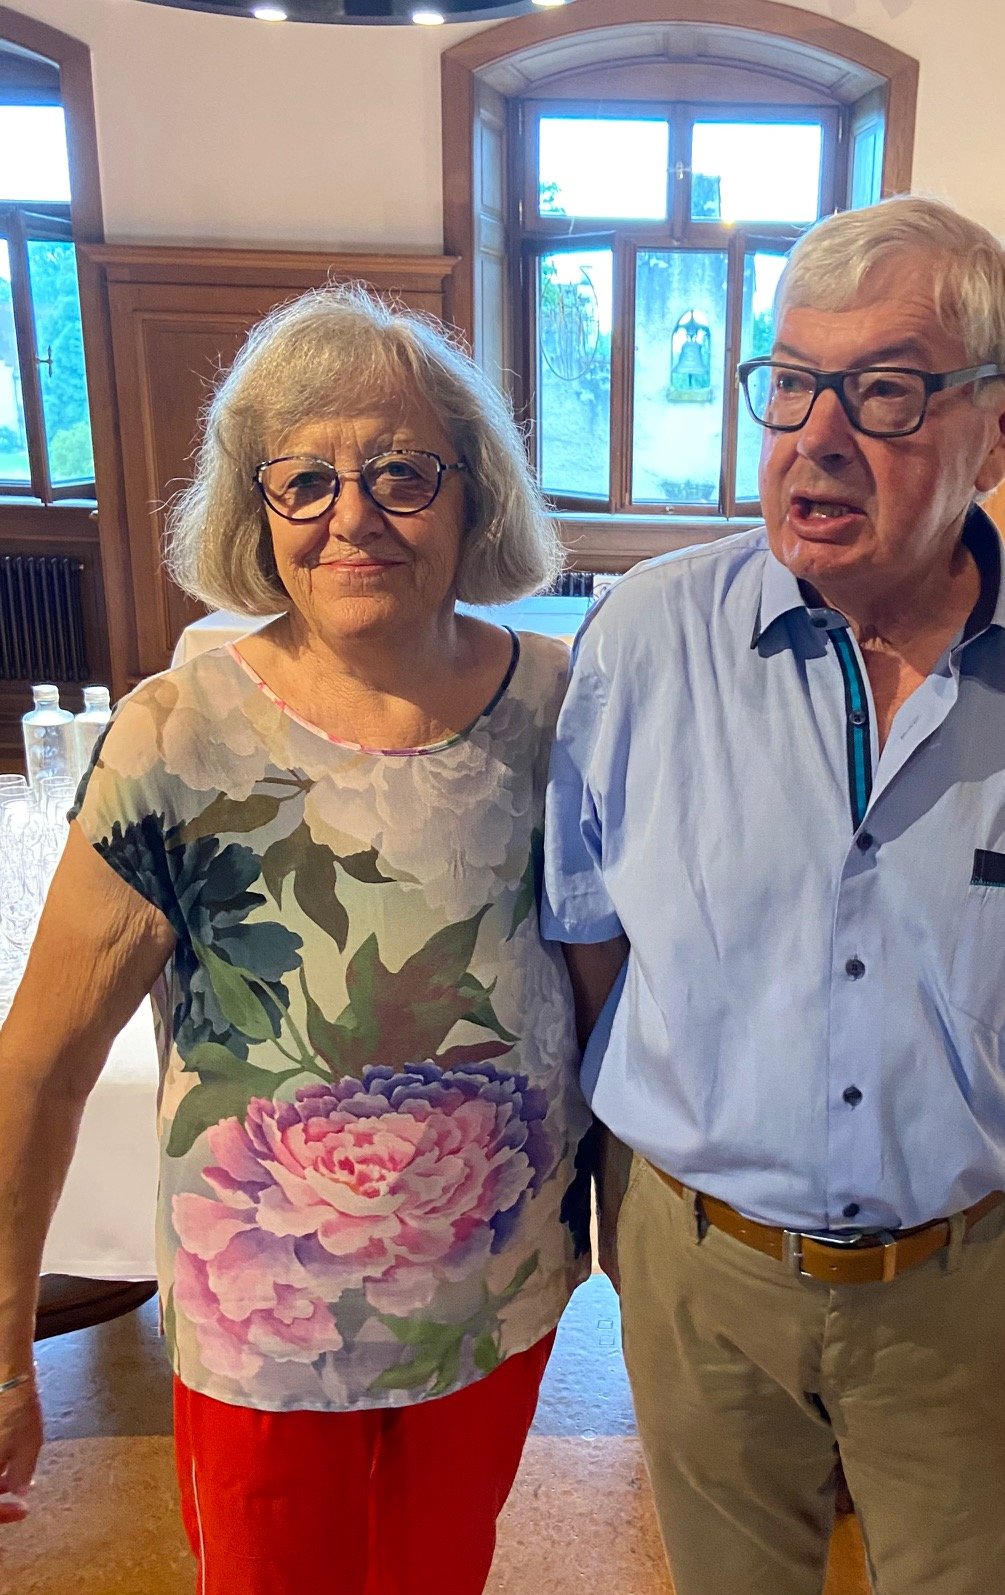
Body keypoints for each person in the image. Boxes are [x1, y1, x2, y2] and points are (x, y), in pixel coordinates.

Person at [543, 196, 1005, 1595]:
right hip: (700, 1270)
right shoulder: (644, 644)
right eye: (788, 383)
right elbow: (593, 948)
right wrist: (629, 1202)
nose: (816, 436)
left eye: (885, 391)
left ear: (1004, 427)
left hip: (968, 1287)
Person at [0, 285, 592, 1595]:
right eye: (305, 479)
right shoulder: (177, 733)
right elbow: (38, 1064)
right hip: (265, 1325)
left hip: (493, 1299)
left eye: (401, 471)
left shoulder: (559, 705)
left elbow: (603, 995)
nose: (352, 516)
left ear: (474, 493)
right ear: (255, 508)